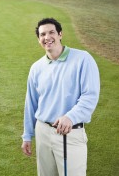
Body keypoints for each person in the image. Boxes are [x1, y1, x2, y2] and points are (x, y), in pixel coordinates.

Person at [21, 18, 100, 176]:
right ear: (39, 40)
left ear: (60, 34)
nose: (47, 37)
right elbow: (31, 103)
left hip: (69, 133)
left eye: (51, 32)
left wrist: (71, 117)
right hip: (42, 132)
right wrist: (27, 135)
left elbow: (90, 96)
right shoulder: (36, 67)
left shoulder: (83, 59)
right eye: (42, 34)